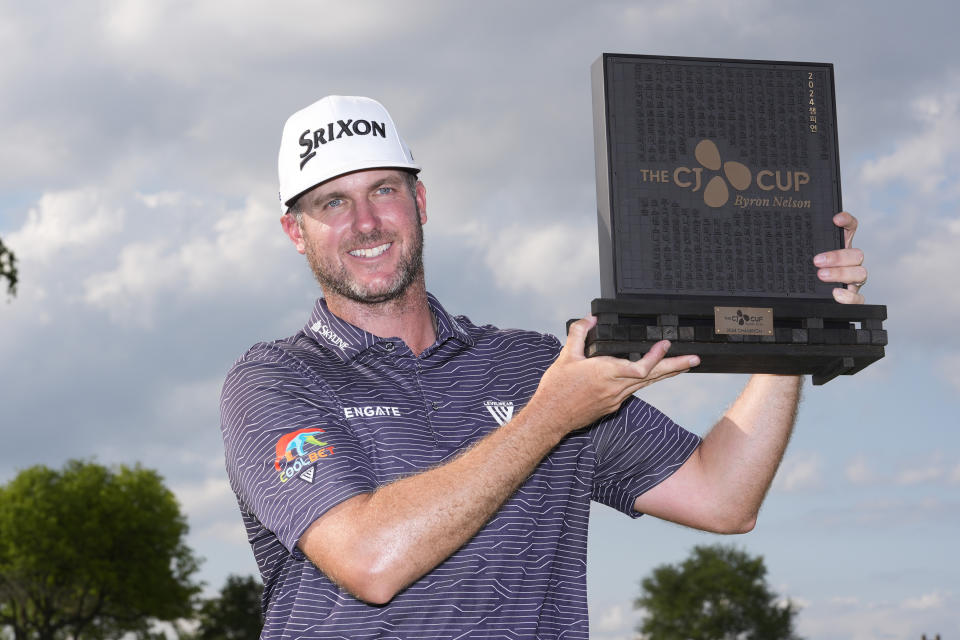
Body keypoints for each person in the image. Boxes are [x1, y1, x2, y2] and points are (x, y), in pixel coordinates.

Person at [220, 95, 869, 639]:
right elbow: (369, 560)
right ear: (294, 231)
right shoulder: (273, 382)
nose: (365, 222)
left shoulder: (534, 365)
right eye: (331, 203)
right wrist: (549, 419)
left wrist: (793, 320)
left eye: (383, 190)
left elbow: (723, 497)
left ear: (419, 202)